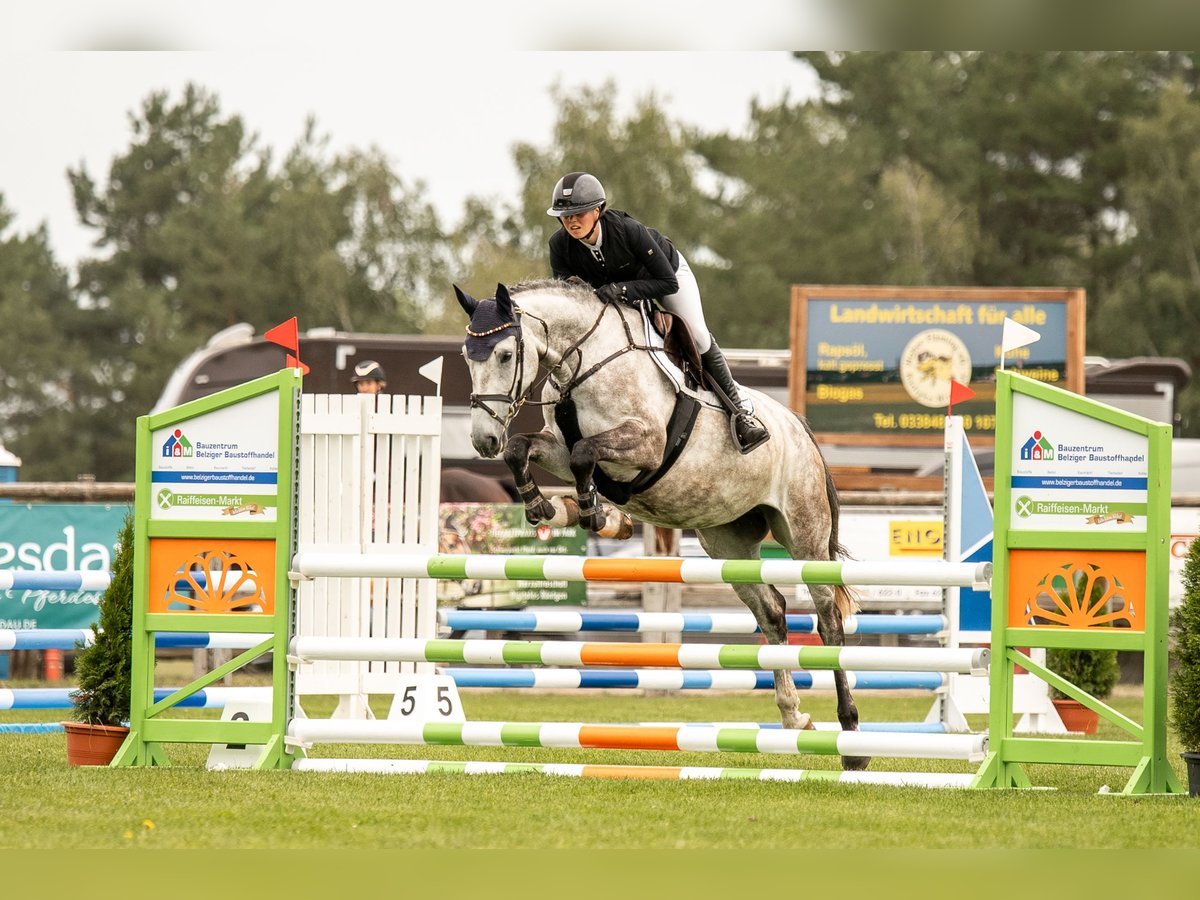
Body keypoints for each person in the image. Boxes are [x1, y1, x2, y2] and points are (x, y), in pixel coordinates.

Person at [546, 171, 769, 454]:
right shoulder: (559, 246)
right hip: (613, 294)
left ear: (598, 210)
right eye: (565, 216)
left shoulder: (628, 230)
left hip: (665, 276)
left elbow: (667, 282)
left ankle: (740, 412)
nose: (572, 221)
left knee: (698, 337)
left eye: (579, 213)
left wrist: (621, 291)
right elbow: (569, 296)